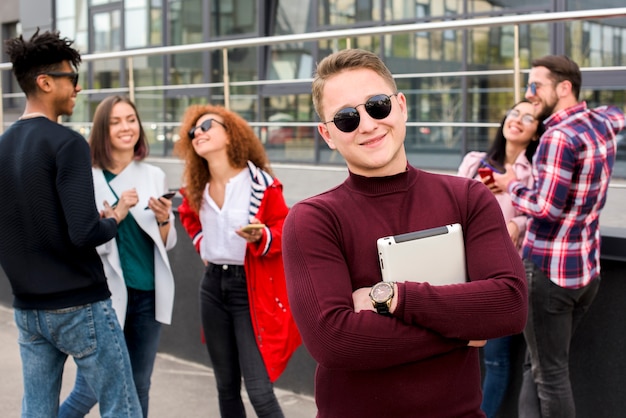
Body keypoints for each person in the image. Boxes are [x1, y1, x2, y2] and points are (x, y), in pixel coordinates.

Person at [281, 48, 528, 418]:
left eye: (376, 105)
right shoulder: (313, 220)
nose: (367, 124)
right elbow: (334, 341)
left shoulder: (467, 197)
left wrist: (393, 297)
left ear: (400, 106)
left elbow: (508, 304)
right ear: (327, 134)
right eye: (347, 118)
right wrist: (461, 329)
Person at [0, 30, 142, 417]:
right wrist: (114, 217)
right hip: (80, 304)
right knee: (122, 408)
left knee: (38, 411)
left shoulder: (3, 145)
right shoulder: (66, 143)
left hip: (27, 309)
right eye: (71, 78)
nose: (78, 88)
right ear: (45, 82)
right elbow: (84, 232)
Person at [491, 55, 625, 418]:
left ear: (564, 88)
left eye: (536, 86)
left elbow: (546, 208)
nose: (529, 94)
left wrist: (511, 185)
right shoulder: (601, 122)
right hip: (586, 272)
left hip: (549, 273)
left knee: (549, 375)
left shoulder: (557, 137)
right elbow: (618, 112)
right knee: (538, 367)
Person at [174, 104, 301, 418]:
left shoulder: (260, 184)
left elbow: (284, 229)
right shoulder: (196, 187)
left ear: (230, 134)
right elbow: (188, 217)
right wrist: (204, 245)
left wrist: (262, 237)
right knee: (226, 387)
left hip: (251, 287)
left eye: (206, 126)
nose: (197, 134)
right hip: (212, 286)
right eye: (193, 131)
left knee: (259, 390)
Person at [58, 96, 177, 417]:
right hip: (103, 297)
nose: (126, 127)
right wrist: (116, 216)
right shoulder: (87, 178)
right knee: (89, 389)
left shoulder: (153, 174)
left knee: (140, 384)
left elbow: (165, 244)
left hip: (148, 294)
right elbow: (81, 241)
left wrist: (165, 218)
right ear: (102, 130)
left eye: (131, 119)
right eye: (116, 122)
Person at [458, 99, 543, 418]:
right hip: (464, 272)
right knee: (457, 353)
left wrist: (515, 224)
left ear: (536, 134)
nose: (518, 119)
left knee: (495, 359)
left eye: (529, 117)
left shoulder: (532, 173)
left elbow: (539, 215)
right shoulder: (474, 162)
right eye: (514, 112)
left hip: (505, 275)